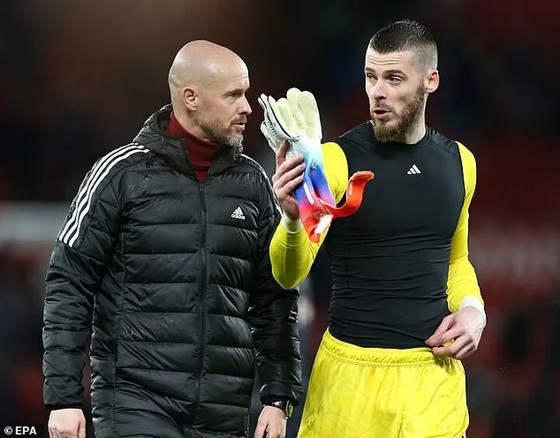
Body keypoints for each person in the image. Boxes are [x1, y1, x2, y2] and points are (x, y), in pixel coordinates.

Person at [42, 40, 302, 438]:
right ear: (191, 98)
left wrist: (278, 397)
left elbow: (275, 297)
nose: (248, 107)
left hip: (223, 410)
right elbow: (69, 283)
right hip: (135, 404)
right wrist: (63, 398)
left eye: (246, 93)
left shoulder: (253, 184)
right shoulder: (120, 175)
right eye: (233, 95)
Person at [268, 20, 487, 437]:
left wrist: (474, 310)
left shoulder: (461, 162)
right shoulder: (333, 161)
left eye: (393, 79)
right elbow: (287, 273)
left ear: (430, 81)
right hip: (349, 388)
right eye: (371, 77)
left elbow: (455, 260)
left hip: (432, 386)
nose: (377, 92)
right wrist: (293, 220)